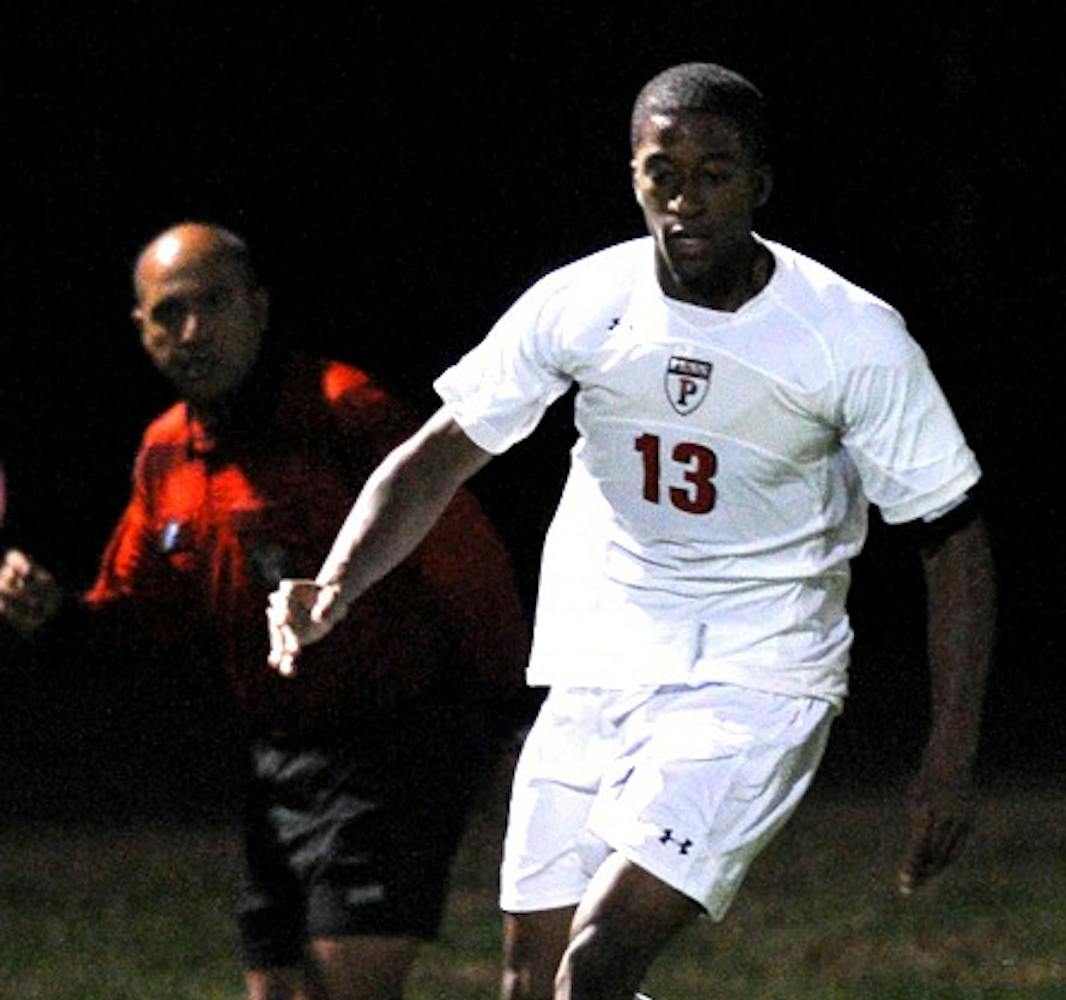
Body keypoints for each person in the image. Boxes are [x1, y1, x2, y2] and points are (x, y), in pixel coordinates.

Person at [267, 62, 996, 1000]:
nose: (685, 199)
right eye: (663, 171)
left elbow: (954, 538)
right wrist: (336, 585)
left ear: (762, 183)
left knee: (598, 961)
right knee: (532, 985)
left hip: (754, 680)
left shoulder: (849, 337)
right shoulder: (584, 302)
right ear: (633, 175)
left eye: (715, 172)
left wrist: (950, 751)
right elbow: (442, 451)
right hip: (597, 665)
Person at [0, 222, 531, 1000]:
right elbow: (138, 614)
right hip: (276, 758)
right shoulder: (165, 454)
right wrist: (53, 612)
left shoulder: (343, 412)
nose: (193, 331)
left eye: (213, 304)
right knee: (278, 990)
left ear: (258, 306)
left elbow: (469, 567)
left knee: (347, 986)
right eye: (168, 313)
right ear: (141, 328)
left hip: (397, 744)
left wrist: (513, 712)